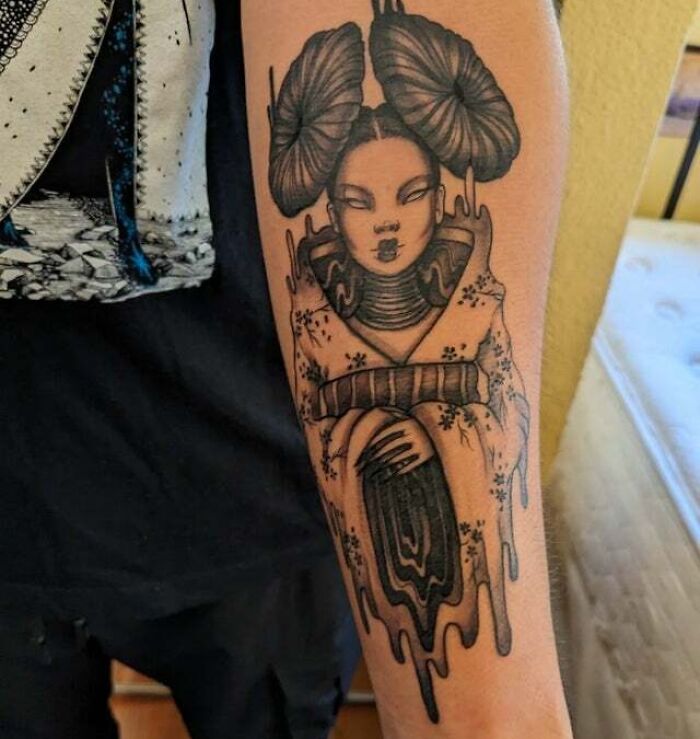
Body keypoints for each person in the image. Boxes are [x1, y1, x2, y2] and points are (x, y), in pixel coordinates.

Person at [0, 2, 572, 739]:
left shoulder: (451, 290)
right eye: (360, 203)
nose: (386, 222)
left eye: (410, 196)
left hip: (250, 495)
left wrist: (485, 718)